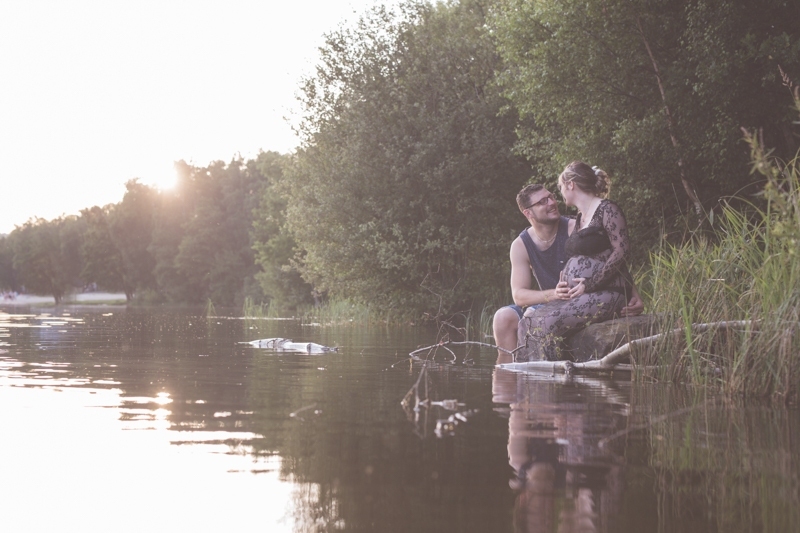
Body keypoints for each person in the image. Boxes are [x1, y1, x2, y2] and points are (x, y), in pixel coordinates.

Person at [492, 170, 643, 363]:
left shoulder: (578, 226)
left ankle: (543, 381)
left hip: (579, 297)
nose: (552, 203)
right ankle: (509, 383)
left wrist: (633, 291)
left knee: (531, 316)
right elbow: (519, 295)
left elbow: (613, 253)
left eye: (551, 197)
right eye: (542, 202)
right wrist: (554, 294)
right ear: (528, 212)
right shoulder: (521, 245)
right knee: (502, 317)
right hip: (550, 299)